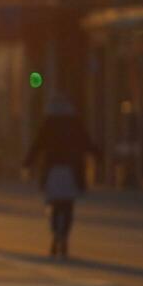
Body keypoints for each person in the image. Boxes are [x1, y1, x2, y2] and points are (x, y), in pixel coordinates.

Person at [24, 94, 100, 258]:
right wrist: (97, 154)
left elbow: (37, 145)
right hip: (71, 170)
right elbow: (86, 142)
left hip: (52, 170)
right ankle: (64, 236)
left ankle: (55, 235)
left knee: (54, 204)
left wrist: (27, 163)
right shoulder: (75, 124)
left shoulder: (48, 124)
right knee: (68, 206)